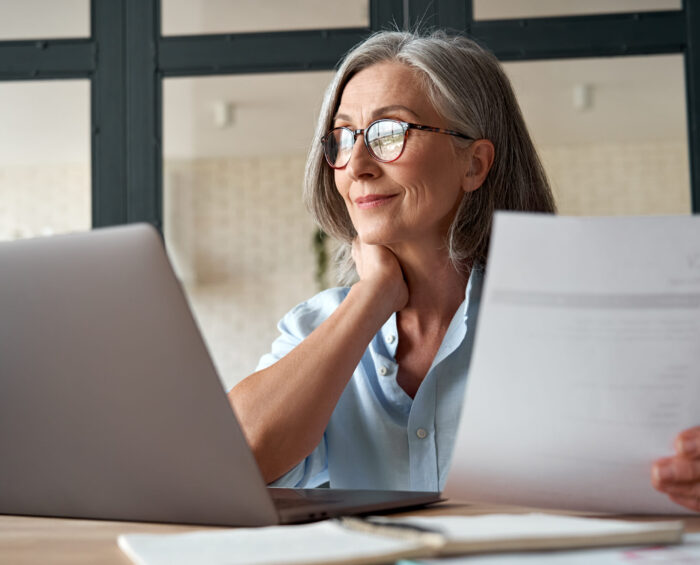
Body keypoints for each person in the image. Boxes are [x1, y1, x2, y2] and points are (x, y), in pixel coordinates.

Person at [228, 30, 700, 512]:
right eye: (344, 137)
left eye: (390, 132)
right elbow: (231, 461)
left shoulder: (579, 319)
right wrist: (372, 297)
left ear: (474, 164)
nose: (358, 165)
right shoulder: (315, 327)